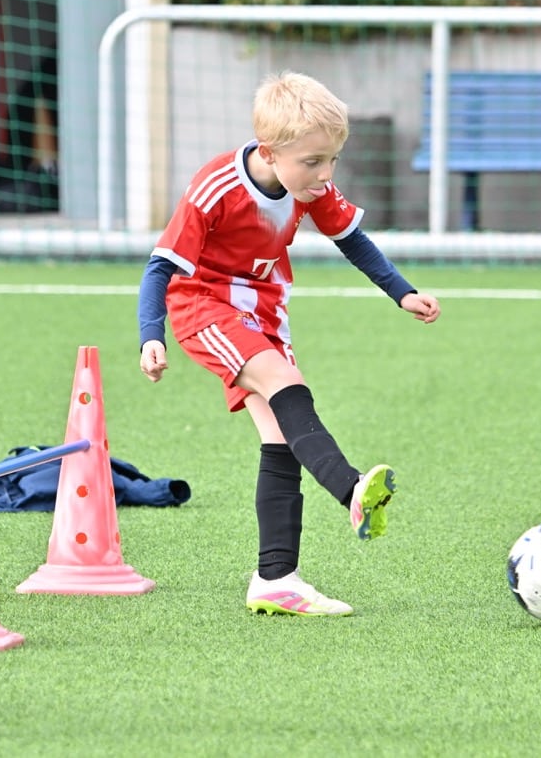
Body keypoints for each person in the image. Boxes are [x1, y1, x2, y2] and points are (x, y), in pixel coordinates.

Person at [138, 71, 440, 616]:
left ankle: (276, 579)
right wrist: (149, 336)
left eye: (332, 162)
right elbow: (160, 266)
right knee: (285, 384)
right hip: (205, 305)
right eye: (313, 162)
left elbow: (353, 240)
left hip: (265, 310)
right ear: (272, 152)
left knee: (281, 437)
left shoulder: (309, 183)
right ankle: (351, 493)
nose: (325, 176)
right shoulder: (216, 188)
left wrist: (402, 292)